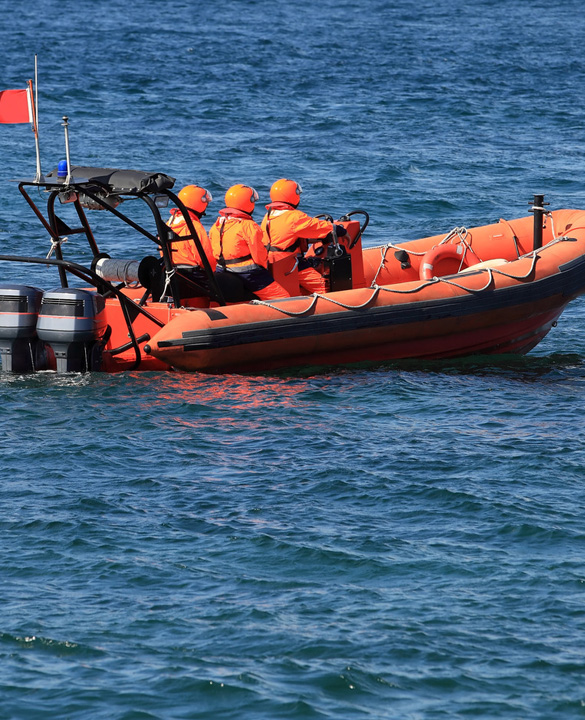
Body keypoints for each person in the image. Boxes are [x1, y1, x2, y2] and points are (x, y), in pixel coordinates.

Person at [261, 178, 347, 294]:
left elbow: (284, 238)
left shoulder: (268, 215)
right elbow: (316, 226)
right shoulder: (294, 217)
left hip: (272, 261)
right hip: (289, 264)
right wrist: (339, 229)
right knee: (324, 288)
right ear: (293, 195)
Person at [209, 184, 289, 301]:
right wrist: (265, 270)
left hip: (222, 270)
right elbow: (259, 256)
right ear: (248, 203)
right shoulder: (249, 226)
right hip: (248, 273)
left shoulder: (217, 224)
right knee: (283, 298)